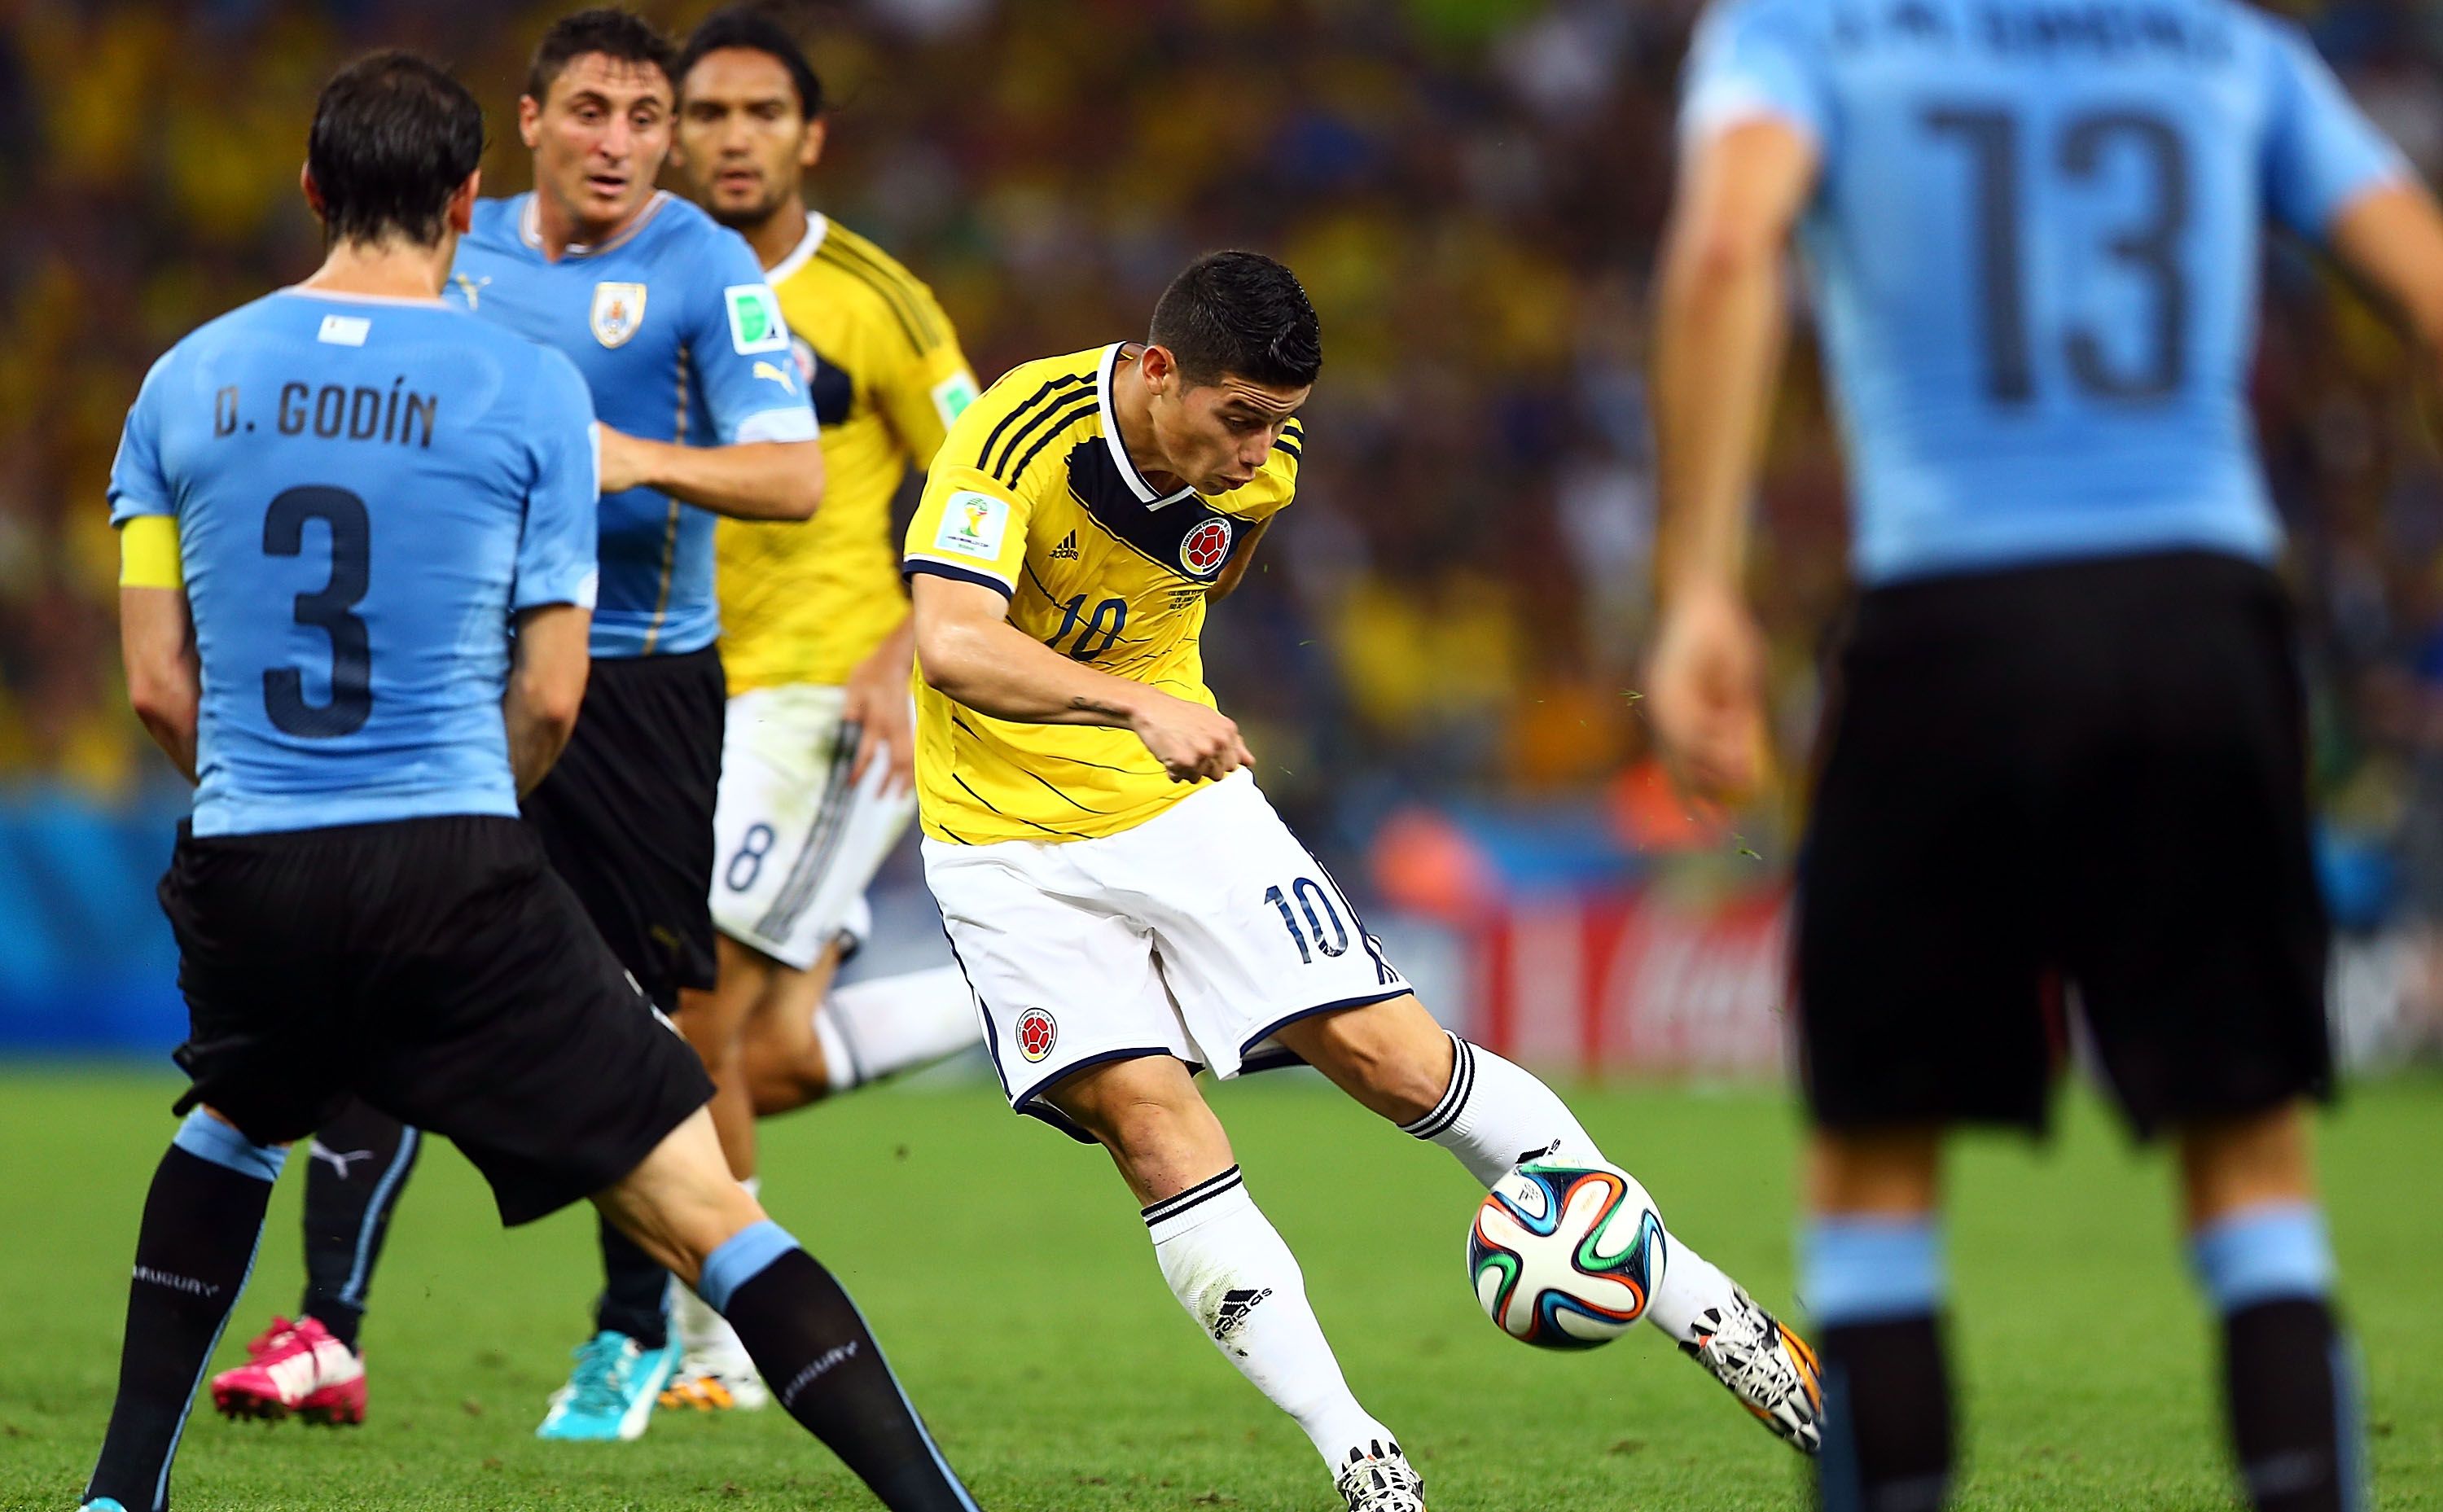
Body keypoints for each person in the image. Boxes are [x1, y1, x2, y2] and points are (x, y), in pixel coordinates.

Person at [81, 50, 980, 1512]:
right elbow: (556, 690)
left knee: (232, 1120)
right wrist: (458, 815)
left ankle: (121, 1492)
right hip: (449, 851)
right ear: (467, 196)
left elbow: (153, 683)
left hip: (247, 851)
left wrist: (263, 790)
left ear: (311, 189)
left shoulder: (183, 380)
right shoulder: (528, 390)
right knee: (702, 1203)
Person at [1646, 2, 2443, 1507]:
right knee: (2253, 1164)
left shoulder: (1806, 33)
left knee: (1878, 1174)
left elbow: (1724, 251)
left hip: (1947, 625)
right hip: (2203, 616)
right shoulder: (2223, 47)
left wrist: (1698, 585)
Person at [903, 249, 1822, 1512]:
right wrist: (1131, 703)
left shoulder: (1262, 470)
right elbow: (950, 641)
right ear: (1159, 371)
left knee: (1400, 1063)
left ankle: (1716, 1315)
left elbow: (1191, 575)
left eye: (1280, 426)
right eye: (1237, 418)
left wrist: (1154, 704)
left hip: (1180, 806)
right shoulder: (1016, 436)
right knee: (1153, 1126)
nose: (1255, 454)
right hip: (1004, 843)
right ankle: (1361, 1455)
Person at [205, 8, 827, 1444]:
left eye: (647, 119)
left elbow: (793, 475)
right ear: (530, 122)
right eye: (593, 112)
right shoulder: (450, 254)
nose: (622, 143)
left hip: (637, 685)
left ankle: (625, 1330)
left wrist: (627, 458)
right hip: (452, 668)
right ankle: (327, 1330)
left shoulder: (708, 269)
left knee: (637, 1011)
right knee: (384, 973)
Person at [644, 7, 989, 1413]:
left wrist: (911, 644)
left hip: (826, 702)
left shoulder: (876, 299)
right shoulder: (634, 283)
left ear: (809, 137)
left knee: (686, 1027)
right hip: (671, 695)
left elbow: (986, 487)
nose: (733, 138)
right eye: (707, 114)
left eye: (759, 114)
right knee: (761, 1056)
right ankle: (1011, 1002)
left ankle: (714, 1354)